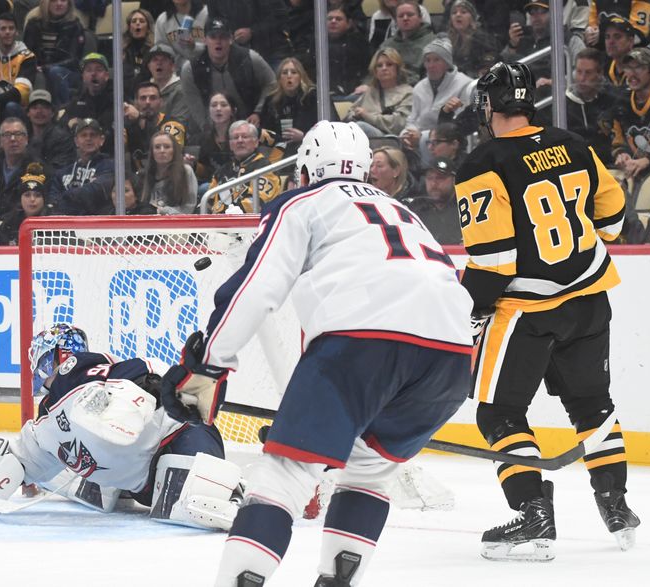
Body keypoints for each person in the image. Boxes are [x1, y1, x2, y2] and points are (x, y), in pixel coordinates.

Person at [160, 120, 472, 585]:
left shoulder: (302, 202)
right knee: (369, 473)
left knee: (281, 479)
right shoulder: (407, 213)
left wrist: (208, 364)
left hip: (361, 344)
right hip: (451, 356)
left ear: (304, 170)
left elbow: (256, 288)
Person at [455, 61, 639, 561]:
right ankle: (616, 505)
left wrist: (468, 308)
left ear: (489, 105)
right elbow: (615, 213)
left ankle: (534, 514)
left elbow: (493, 262)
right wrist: (584, 245)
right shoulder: (573, 143)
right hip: (589, 299)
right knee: (592, 404)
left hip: (526, 312)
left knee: (499, 412)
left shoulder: (482, 163)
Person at [0, 323, 244, 530]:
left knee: (197, 501)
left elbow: (143, 373)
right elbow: (17, 459)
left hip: (174, 441)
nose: (39, 373)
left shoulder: (74, 374)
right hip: (144, 485)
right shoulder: (47, 420)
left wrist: (151, 387)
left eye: (41, 364)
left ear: (53, 359)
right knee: (177, 499)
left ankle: (239, 493)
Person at [179, 17, 276, 136]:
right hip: (213, 127)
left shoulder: (249, 58)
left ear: (231, 39)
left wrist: (258, 112)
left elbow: (272, 83)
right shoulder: (190, 69)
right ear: (204, 40)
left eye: (223, 37)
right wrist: (206, 127)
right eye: (213, 37)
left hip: (251, 123)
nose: (218, 41)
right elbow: (193, 102)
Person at [611, 48, 650, 181]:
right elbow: (617, 142)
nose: (632, 74)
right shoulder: (621, 102)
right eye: (628, 68)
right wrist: (621, 154)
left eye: (638, 68)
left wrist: (649, 160)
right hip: (633, 172)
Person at [0, 117, 47, 216]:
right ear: (0, 141)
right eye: (7, 135)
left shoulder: (38, 169)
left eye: (18, 134)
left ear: (26, 139)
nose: (13, 139)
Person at [260, 57, 331, 156]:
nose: (289, 76)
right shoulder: (271, 101)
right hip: (279, 150)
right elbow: (264, 131)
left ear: (301, 76)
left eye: (294, 72)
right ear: (279, 79)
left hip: (312, 148)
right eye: (284, 73)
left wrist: (304, 136)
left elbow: (331, 128)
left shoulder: (315, 96)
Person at [22, 0, 87, 107]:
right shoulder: (33, 24)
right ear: (45, 3)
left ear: (69, 4)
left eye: (63, 0)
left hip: (68, 72)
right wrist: (36, 67)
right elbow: (26, 53)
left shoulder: (75, 25)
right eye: (53, 1)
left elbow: (74, 59)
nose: (59, 4)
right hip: (38, 69)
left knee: (55, 72)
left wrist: (46, 67)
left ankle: (63, 111)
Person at [207, 120, 281, 213]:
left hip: (252, 224)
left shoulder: (265, 168)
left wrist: (230, 214)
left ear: (256, 142)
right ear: (230, 144)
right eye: (235, 138)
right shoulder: (222, 171)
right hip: (219, 223)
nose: (240, 140)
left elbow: (258, 201)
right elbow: (208, 202)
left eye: (245, 137)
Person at [344, 47, 414, 137]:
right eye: (379, 65)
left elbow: (398, 124)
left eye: (389, 64)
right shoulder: (370, 92)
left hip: (391, 138)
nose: (384, 68)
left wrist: (367, 116)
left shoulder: (408, 93)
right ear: (375, 70)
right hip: (363, 135)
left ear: (397, 68)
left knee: (360, 127)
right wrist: (356, 115)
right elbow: (350, 114)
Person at [50, 118, 114, 215]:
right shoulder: (62, 173)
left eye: (93, 135)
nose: (88, 138)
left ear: (102, 140)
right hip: (68, 225)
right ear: (76, 141)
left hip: (96, 225)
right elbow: (53, 201)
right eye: (83, 135)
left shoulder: (109, 166)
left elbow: (95, 193)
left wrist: (67, 195)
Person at [124, 81, 187, 170]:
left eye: (153, 98)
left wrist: (140, 117)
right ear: (135, 103)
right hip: (136, 179)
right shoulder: (127, 125)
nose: (148, 102)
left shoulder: (172, 124)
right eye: (143, 98)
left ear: (160, 102)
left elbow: (169, 156)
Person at [404, 157, 462, 245]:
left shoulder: (465, 209)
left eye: (440, 178)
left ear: (454, 180)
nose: (434, 183)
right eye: (429, 178)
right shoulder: (415, 209)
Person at [141, 131, 197, 214]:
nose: (162, 151)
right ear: (152, 152)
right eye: (157, 147)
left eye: (167, 147)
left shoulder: (186, 171)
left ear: (174, 150)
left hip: (178, 223)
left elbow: (189, 207)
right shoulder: (144, 174)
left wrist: (165, 211)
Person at [380, 0, 435, 85]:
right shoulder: (386, 45)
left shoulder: (433, 43)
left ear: (420, 18)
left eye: (410, 15)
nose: (405, 18)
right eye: (401, 16)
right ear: (396, 20)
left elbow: (431, 79)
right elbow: (373, 72)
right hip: (385, 89)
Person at [326, 6, 372, 98]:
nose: (333, 21)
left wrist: (366, 84)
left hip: (356, 93)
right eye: (330, 19)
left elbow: (370, 69)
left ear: (348, 24)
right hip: (325, 94)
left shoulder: (359, 43)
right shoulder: (316, 44)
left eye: (338, 19)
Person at [0, 167, 52, 244]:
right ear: (20, 199)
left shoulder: (53, 221)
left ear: (44, 199)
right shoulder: (10, 222)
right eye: (27, 195)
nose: (32, 199)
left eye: (37, 195)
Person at [446, 0, 499, 78]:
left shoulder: (482, 39)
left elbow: (489, 60)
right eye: (454, 13)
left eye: (463, 12)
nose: (458, 15)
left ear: (472, 18)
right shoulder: (446, 40)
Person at [26, 89, 76, 170]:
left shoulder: (63, 139)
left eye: (44, 107)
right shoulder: (22, 136)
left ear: (52, 112)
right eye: (35, 108)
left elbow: (60, 169)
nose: (39, 111)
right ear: (28, 113)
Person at [154, 0, 208, 69]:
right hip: (177, 70)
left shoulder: (206, 13)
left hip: (207, 65)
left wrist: (194, 46)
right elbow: (161, 50)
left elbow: (216, 42)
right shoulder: (162, 20)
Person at [146, 43, 190, 124]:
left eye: (164, 60)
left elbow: (178, 123)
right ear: (149, 66)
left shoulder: (181, 90)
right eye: (155, 59)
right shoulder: (144, 90)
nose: (159, 63)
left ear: (172, 66)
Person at [122, 6, 156, 96]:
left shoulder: (154, 51)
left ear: (148, 27)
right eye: (134, 21)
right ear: (129, 27)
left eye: (142, 21)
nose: (137, 23)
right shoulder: (122, 51)